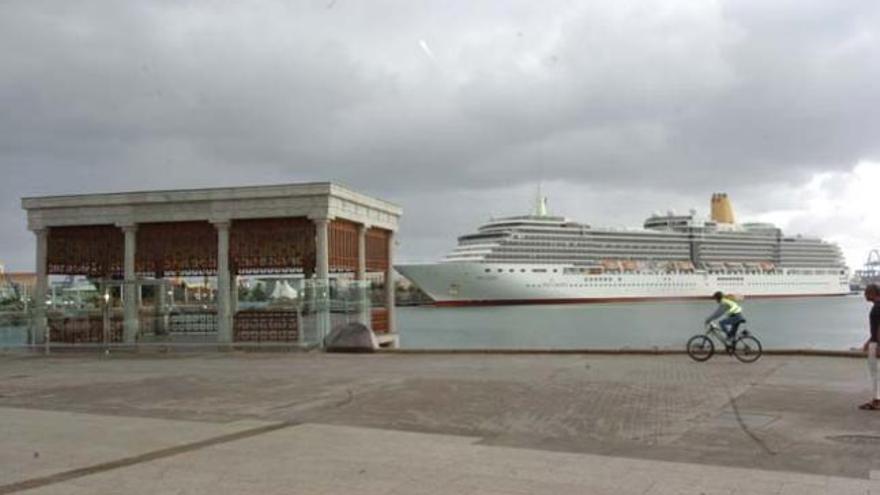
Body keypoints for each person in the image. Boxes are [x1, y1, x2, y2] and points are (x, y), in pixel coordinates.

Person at [859, 284, 880, 410]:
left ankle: (877, 401)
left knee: (876, 373)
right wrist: (868, 341)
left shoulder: (877, 308)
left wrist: (878, 345)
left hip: (877, 343)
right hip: (874, 341)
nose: (865, 295)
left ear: (873, 293)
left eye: (866, 293)